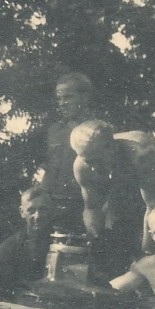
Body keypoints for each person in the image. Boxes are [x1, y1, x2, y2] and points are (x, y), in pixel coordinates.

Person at [71, 119, 155, 282]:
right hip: (128, 187)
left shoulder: (141, 154)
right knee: (114, 240)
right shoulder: (82, 166)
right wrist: (97, 241)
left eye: (98, 160)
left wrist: (145, 259)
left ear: (112, 148)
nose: (93, 168)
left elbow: (154, 207)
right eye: (88, 161)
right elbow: (92, 208)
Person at [37, 72, 98, 230]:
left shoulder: (97, 130)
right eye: (59, 99)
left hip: (86, 205)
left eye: (68, 97)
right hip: (55, 204)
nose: (62, 104)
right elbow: (49, 168)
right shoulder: (55, 130)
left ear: (85, 98)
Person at [0, 186, 56, 296]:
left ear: (51, 210)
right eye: (31, 210)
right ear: (22, 212)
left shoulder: (62, 246)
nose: (37, 216)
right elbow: (6, 290)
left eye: (43, 209)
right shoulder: (8, 248)